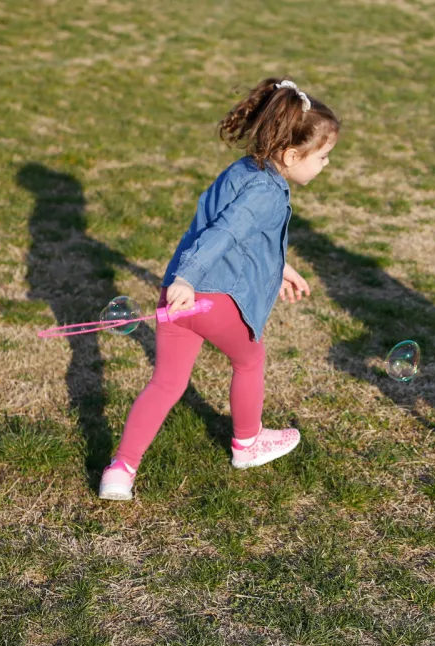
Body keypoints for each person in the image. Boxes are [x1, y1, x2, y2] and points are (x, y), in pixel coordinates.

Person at [99, 78, 340, 501]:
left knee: (166, 384)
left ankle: (120, 470)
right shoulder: (268, 190)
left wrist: (276, 266)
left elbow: (237, 232)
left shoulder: (245, 168)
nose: (326, 165)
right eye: (322, 157)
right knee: (250, 360)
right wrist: (191, 279)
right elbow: (225, 233)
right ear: (291, 154)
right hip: (208, 296)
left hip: (181, 297)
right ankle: (247, 443)